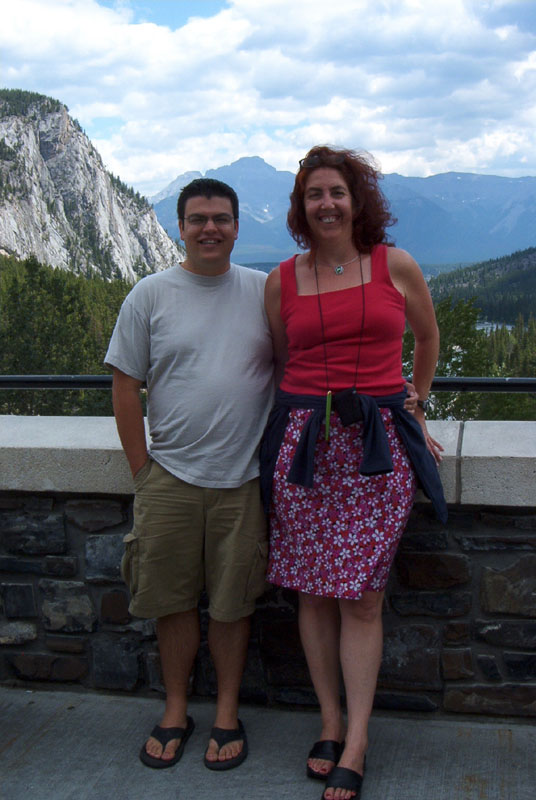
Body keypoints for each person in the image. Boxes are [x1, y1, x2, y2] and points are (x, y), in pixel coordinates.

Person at [261, 145, 447, 800]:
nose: (327, 204)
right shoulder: (281, 279)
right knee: (312, 590)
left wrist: (414, 405)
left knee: (363, 595)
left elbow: (427, 340)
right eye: (315, 194)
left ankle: (359, 738)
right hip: (304, 449)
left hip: (376, 450)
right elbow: (287, 362)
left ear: (356, 199)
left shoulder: (392, 264)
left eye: (337, 191)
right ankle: (330, 721)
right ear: (300, 207)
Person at [105, 178, 273, 771]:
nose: (210, 228)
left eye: (221, 218)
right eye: (198, 218)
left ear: (236, 226)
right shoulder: (149, 295)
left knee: (234, 604)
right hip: (169, 477)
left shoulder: (262, 291)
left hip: (243, 479)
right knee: (173, 602)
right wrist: (142, 471)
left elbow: (305, 364)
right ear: (179, 226)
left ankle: (226, 712)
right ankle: (176, 709)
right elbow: (125, 386)